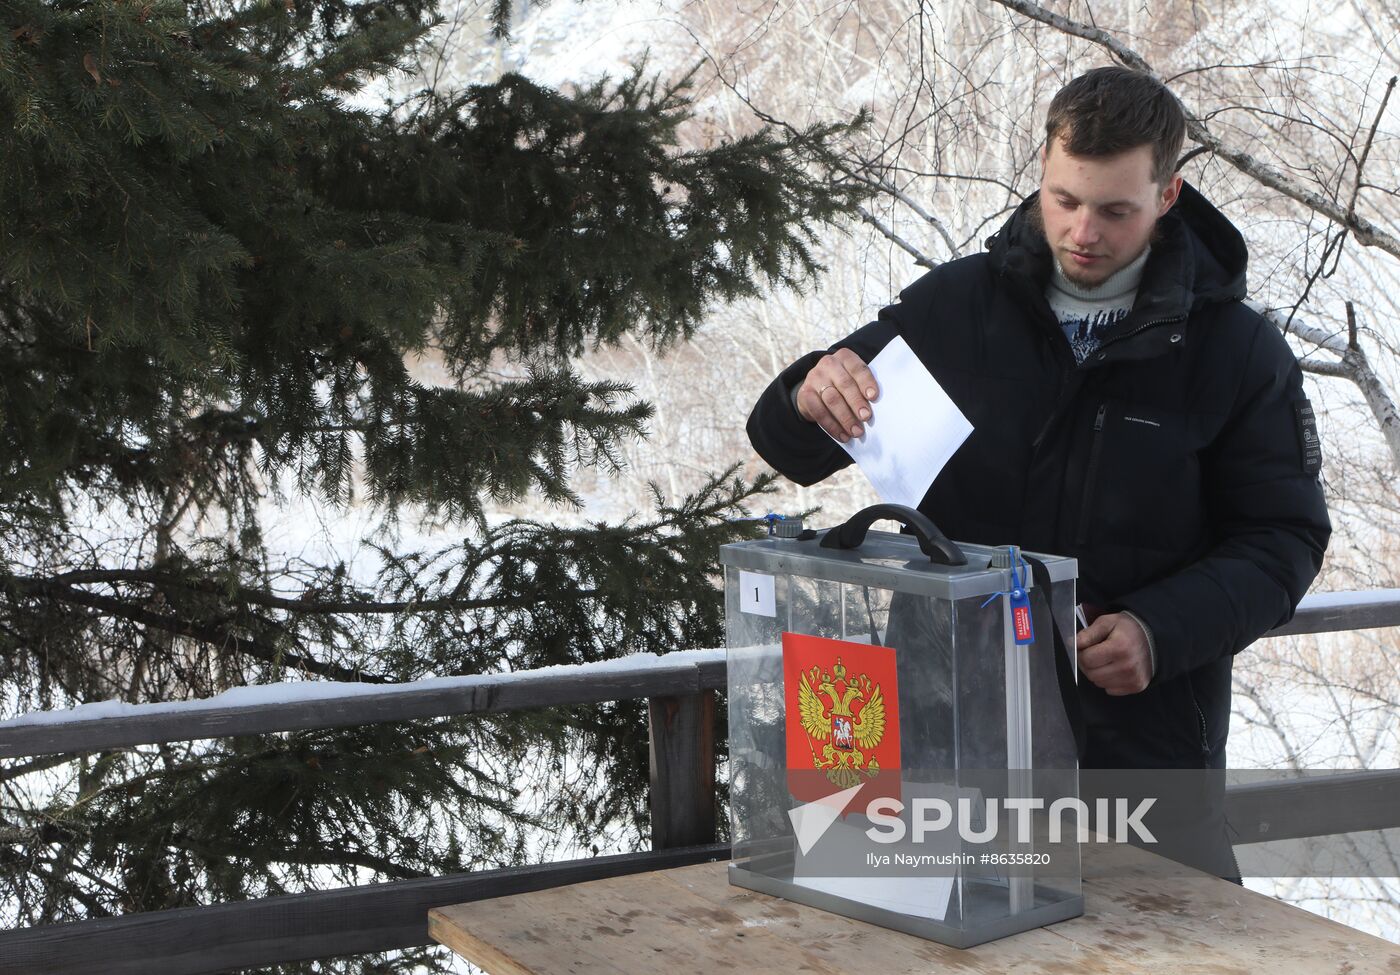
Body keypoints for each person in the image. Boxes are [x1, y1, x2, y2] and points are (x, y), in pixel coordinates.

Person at [747, 66, 1331, 869]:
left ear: (1168, 197)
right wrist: (810, 390)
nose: (1082, 230)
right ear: (1043, 174)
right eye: (1063, 199)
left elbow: (1283, 539)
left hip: (1141, 766)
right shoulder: (958, 309)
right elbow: (791, 446)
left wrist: (1160, 630)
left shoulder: (1237, 353)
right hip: (943, 749)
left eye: (1114, 209)